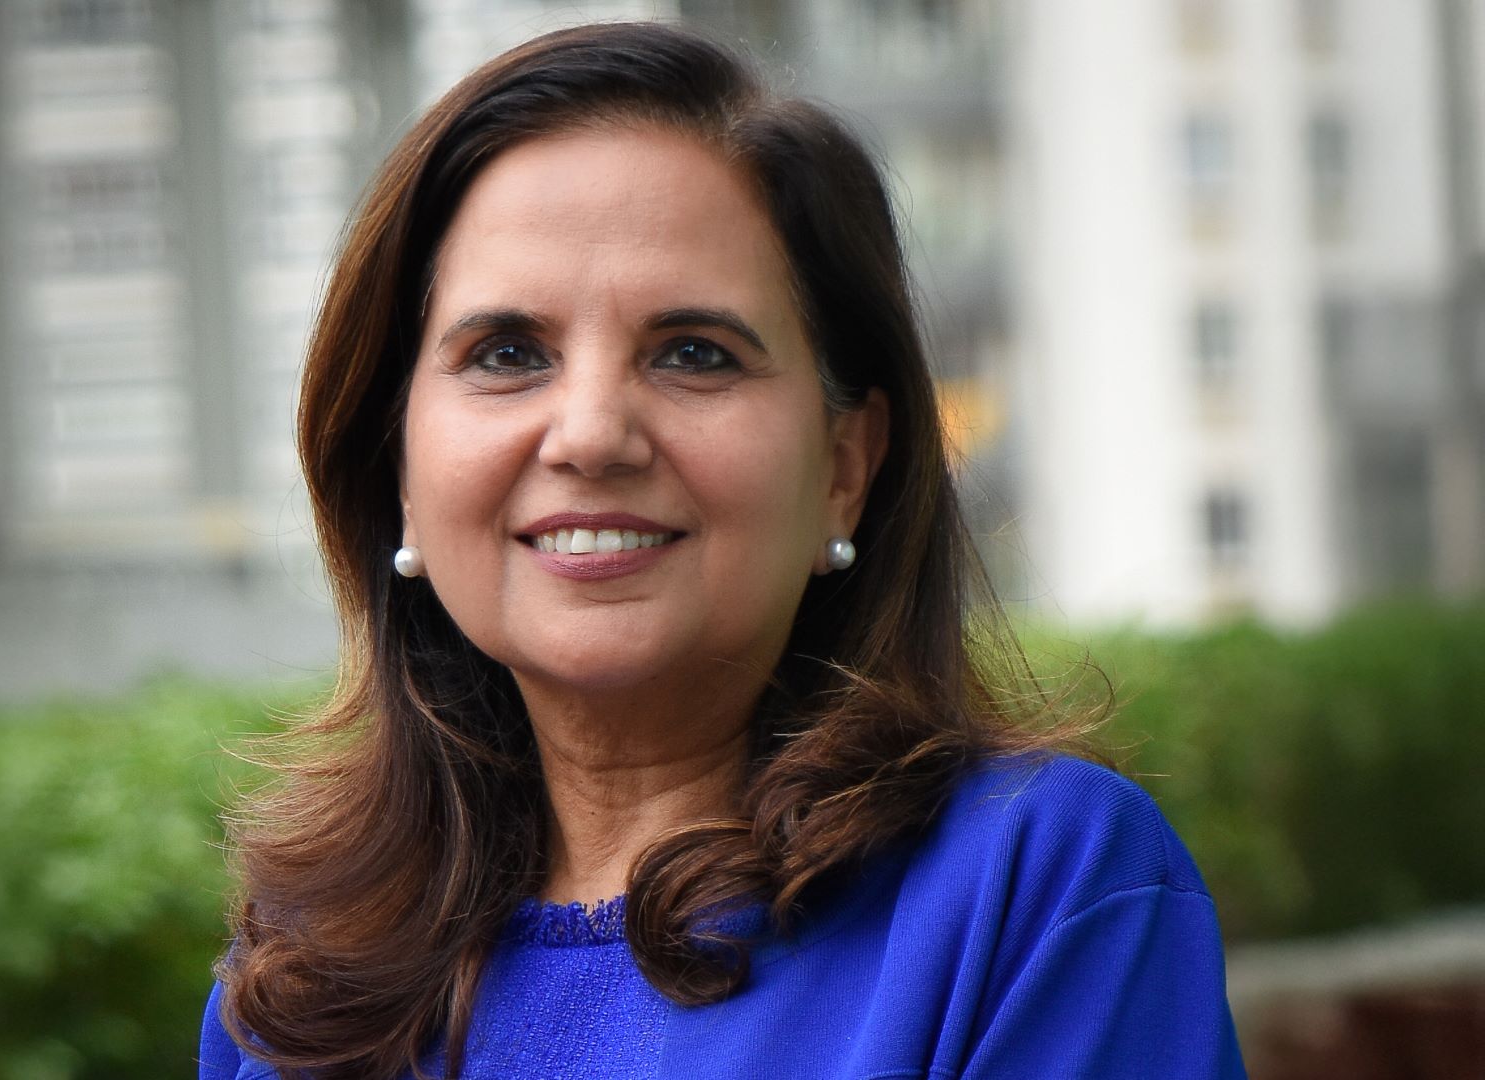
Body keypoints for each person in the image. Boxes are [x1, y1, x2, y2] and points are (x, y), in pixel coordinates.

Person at [199, 21, 1246, 1080]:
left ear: (846, 463)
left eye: (695, 353)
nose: (592, 433)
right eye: (508, 353)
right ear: (398, 470)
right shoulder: (304, 969)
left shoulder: (1038, 886)